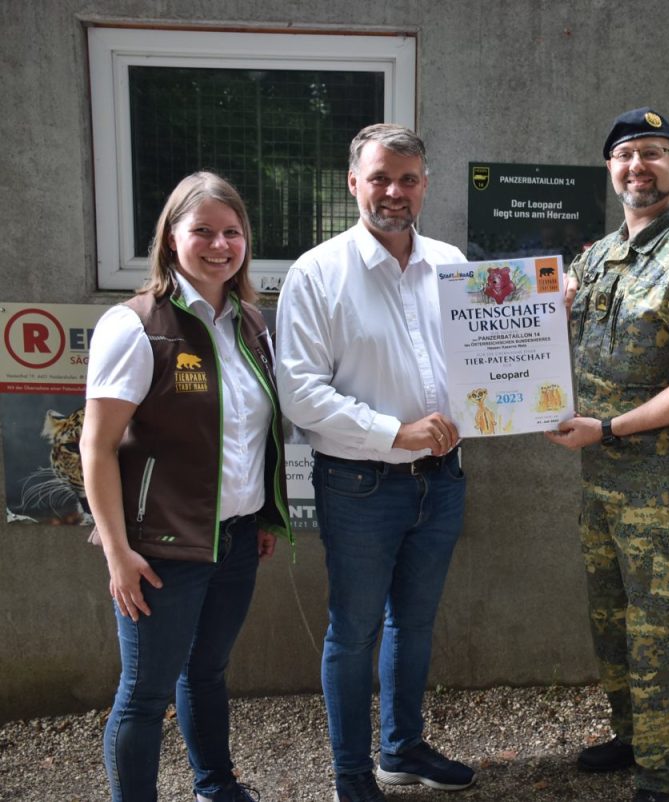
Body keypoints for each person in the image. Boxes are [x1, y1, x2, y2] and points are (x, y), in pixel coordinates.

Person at [546, 107, 669, 802]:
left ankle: (667, 779)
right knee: (611, 621)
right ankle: (633, 737)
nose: (639, 166)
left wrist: (608, 429)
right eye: (626, 154)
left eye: (654, 153)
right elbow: (539, 333)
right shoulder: (597, 258)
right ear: (611, 169)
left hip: (663, 491)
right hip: (600, 483)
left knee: (663, 634)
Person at [274, 123, 474, 802]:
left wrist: (539, 323)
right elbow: (301, 393)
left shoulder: (450, 261)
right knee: (353, 631)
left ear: (425, 185)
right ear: (354, 181)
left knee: (414, 624)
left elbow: (484, 357)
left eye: (409, 178)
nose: (394, 192)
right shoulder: (318, 272)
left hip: (441, 482)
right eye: (380, 177)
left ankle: (401, 749)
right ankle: (352, 775)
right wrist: (397, 433)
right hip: (360, 485)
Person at [81, 171, 292, 802]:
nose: (219, 245)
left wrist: (256, 518)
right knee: (145, 696)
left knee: (207, 672)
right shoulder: (136, 325)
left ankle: (216, 785)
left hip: (233, 540)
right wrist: (119, 553)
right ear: (172, 238)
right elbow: (96, 446)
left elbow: (252, 435)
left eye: (232, 232)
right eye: (202, 230)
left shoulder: (252, 324)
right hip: (160, 550)